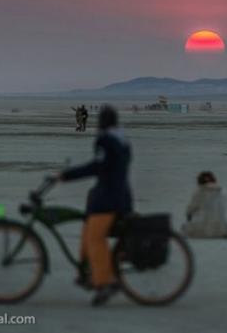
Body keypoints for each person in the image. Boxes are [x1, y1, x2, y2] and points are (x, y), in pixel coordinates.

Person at [55, 105, 133, 306]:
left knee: (95, 239)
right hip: (118, 196)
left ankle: (105, 282)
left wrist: (66, 175)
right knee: (87, 231)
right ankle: (88, 273)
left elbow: (98, 167)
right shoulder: (123, 140)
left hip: (108, 201)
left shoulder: (106, 140)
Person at [181, 171, 227, 239]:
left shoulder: (199, 192)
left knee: (184, 228)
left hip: (205, 231)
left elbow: (189, 211)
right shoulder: (223, 191)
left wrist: (189, 220)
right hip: (225, 229)